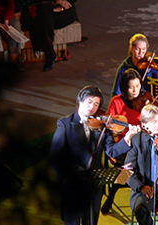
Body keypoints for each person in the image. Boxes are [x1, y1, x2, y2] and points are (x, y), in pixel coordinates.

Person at [49, 85, 140, 225]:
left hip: (95, 182)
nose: (92, 106)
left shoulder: (103, 126)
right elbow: (55, 157)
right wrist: (65, 180)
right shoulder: (65, 124)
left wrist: (128, 138)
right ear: (80, 100)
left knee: (91, 221)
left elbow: (112, 151)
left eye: (96, 103)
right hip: (73, 184)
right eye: (89, 101)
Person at [101, 68, 158, 213]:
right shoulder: (116, 102)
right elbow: (110, 125)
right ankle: (112, 197)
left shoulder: (144, 101)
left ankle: (152, 196)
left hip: (144, 143)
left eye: (138, 86)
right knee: (128, 166)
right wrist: (126, 132)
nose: (136, 90)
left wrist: (156, 112)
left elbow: (156, 116)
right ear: (125, 87)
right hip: (125, 144)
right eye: (131, 87)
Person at [111, 33, 158, 97]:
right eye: (137, 49)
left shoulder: (151, 67)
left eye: (144, 49)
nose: (141, 53)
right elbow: (116, 92)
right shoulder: (124, 68)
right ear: (131, 48)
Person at [29, 0, 78, 71]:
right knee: (44, 13)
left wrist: (61, 7)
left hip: (64, 11)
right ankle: (50, 51)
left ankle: (50, 51)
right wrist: (57, 1)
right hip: (47, 12)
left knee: (44, 17)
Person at [0, 0, 23, 71]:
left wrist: (6, 20)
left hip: (2, 16)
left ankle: (13, 59)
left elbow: (10, 6)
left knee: (15, 25)